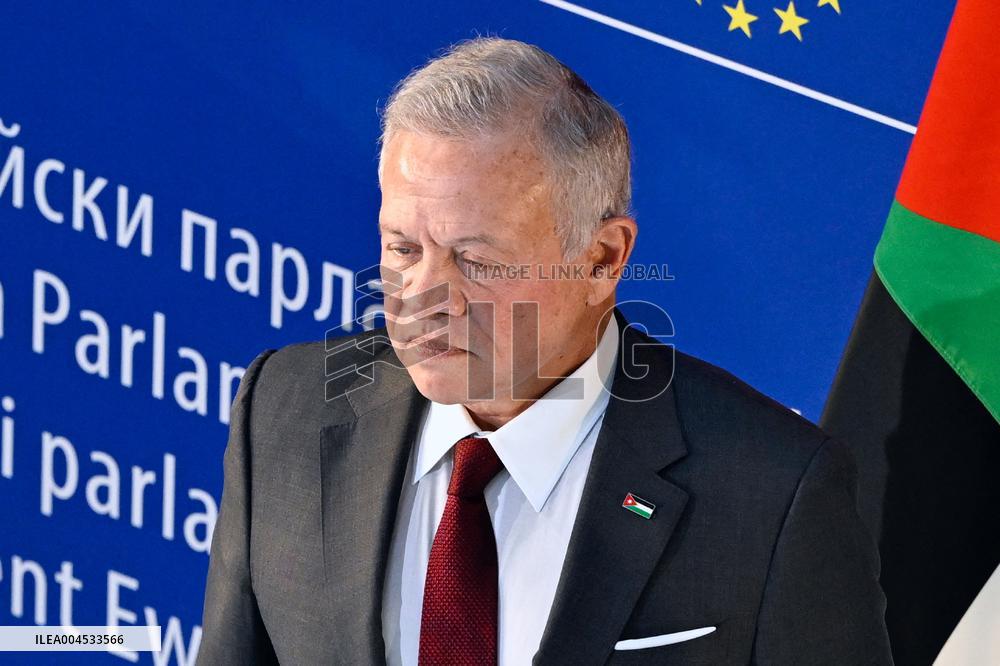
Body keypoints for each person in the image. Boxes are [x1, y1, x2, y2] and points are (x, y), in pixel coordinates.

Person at [198, 36, 892, 665]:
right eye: (402, 248)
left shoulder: (773, 497)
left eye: (476, 260)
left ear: (602, 259)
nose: (421, 295)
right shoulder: (282, 412)